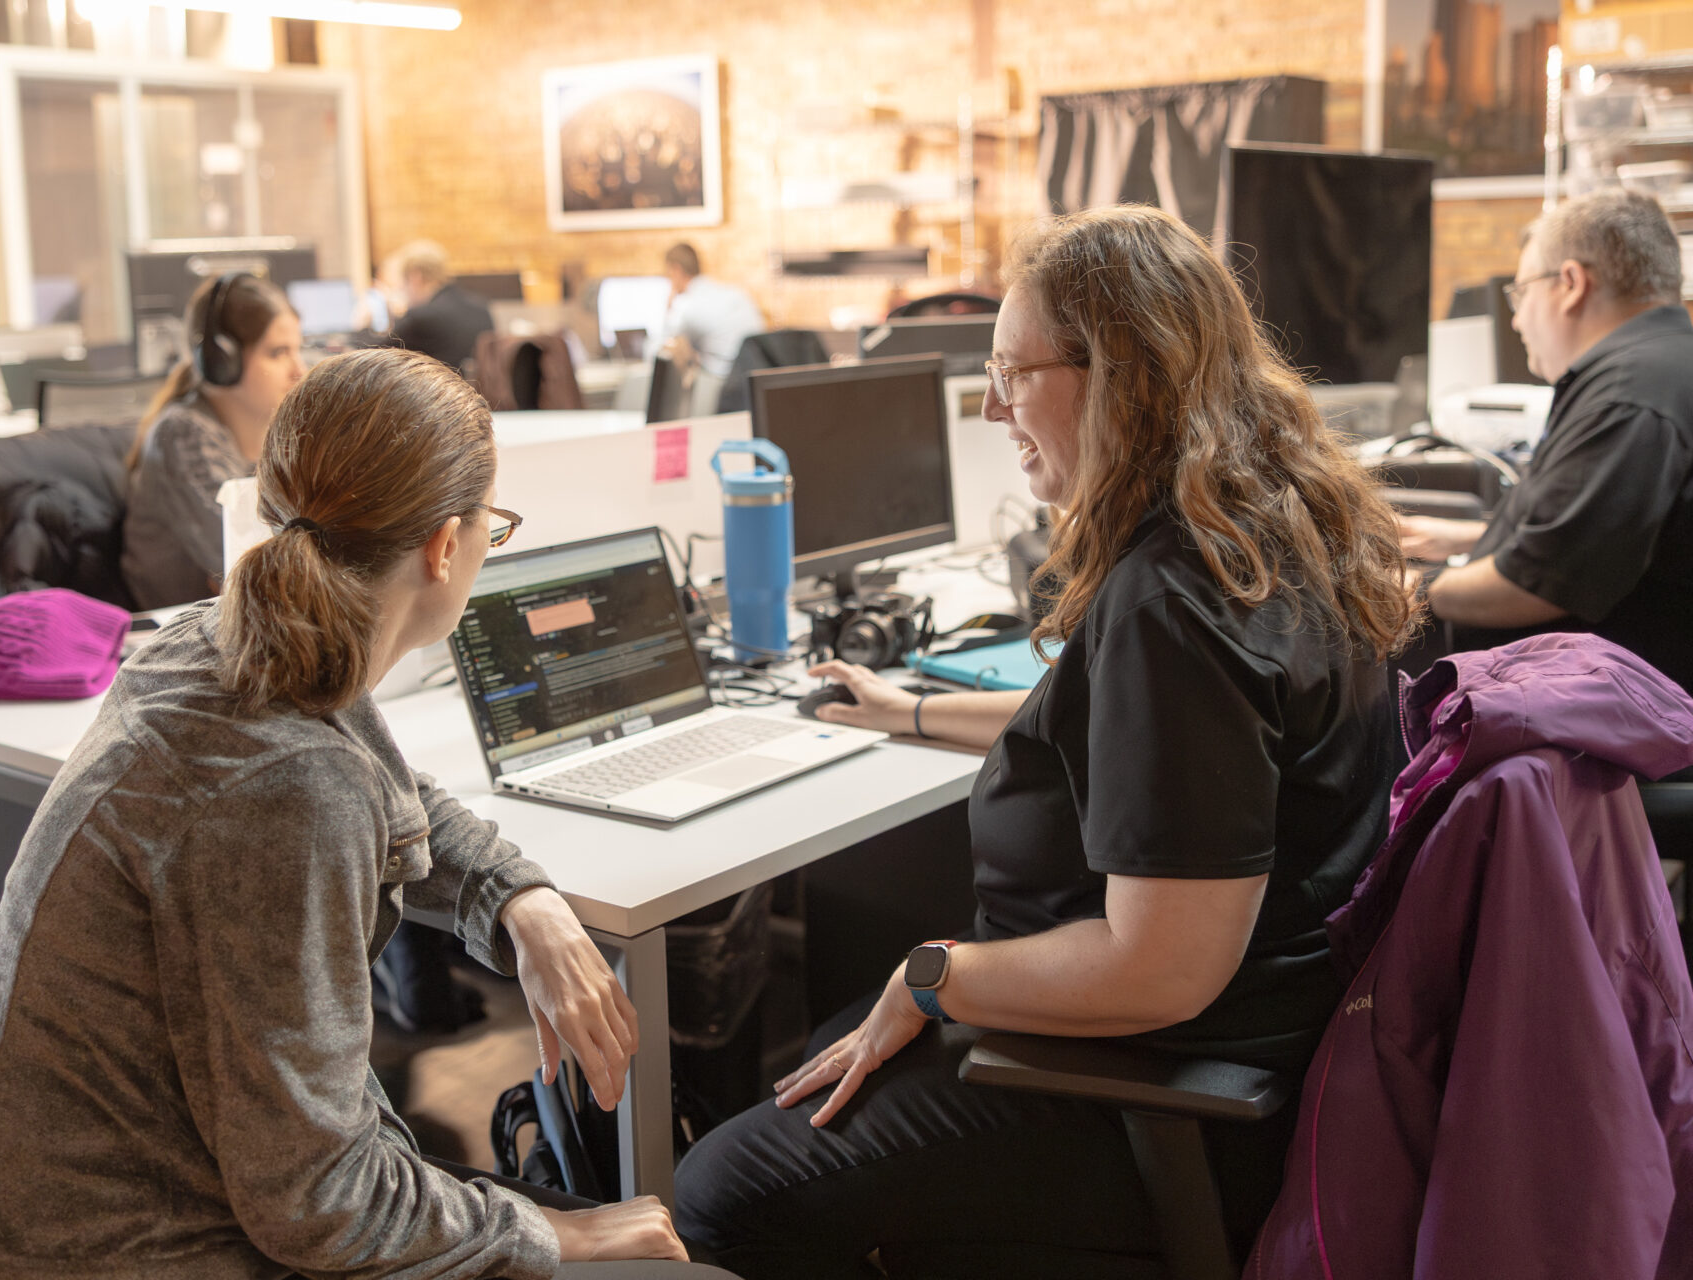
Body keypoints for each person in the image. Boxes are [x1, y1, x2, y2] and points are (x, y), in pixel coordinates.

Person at [673, 205, 1417, 1278]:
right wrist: (910, 708)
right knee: (820, 1047)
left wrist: (935, 975)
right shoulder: (1265, 528)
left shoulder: (1172, 603)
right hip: (1262, 1043)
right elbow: (1094, 720)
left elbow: (1161, 966)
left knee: (722, 1192)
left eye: (1012, 373)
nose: (988, 406)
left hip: (1164, 1090)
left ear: (1127, 376)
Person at [0, 348, 694, 1278]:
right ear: (444, 547)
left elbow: (383, 780)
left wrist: (517, 899)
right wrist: (553, 1237)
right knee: (643, 1253)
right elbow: (324, 1207)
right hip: (125, 1251)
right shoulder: (287, 789)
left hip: (92, 1200)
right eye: (493, 528)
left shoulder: (224, 637)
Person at [1399, 189, 1693, 694]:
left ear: (1571, 284)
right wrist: (1464, 537)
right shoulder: (1658, 367)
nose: (1515, 319)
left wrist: (1416, 590)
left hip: (1606, 715)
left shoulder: (1627, 399)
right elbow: (1610, 529)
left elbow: (1540, 583)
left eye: (1521, 293)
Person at [121, 272, 304, 610]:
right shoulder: (182, 436)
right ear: (223, 361)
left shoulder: (275, 435)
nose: (299, 370)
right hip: (186, 641)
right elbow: (252, 562)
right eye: (278, 352)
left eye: (297, 349)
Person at [656, 243, 763, 381]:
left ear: (676, 270)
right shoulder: (736, 294)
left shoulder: (690, 307)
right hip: (752, 380)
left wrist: (668, 308)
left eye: (667, 274)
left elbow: (662, 352)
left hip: (722, 383)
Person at [389, 239, 496, 373]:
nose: (401, 289)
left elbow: (375, 351)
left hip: (436, 392)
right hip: (472, 392)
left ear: (415, 277)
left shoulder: (421, 317)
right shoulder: (482, 308)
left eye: (402, 283)